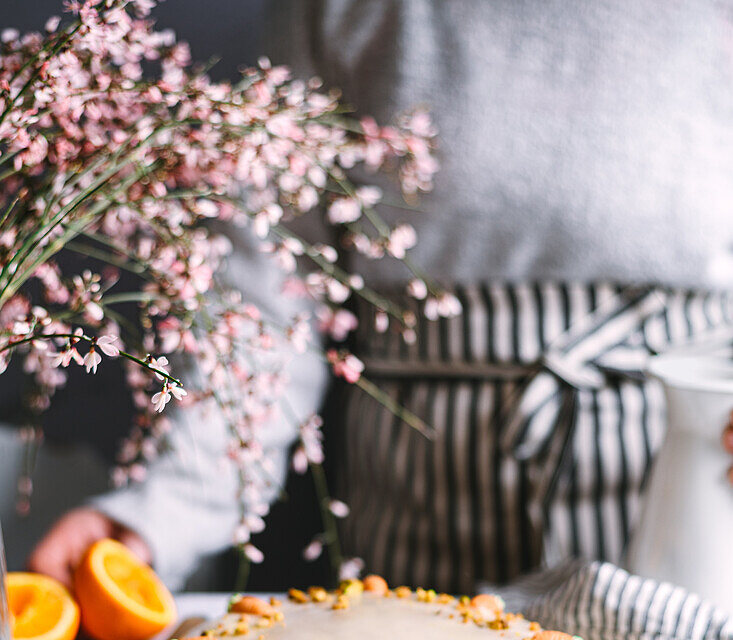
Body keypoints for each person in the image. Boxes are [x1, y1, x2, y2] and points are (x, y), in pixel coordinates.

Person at [13, 0, 733, 592]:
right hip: (414, 547)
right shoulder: (341, 12)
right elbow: (265, 313)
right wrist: (155, 519)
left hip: (680, 531)